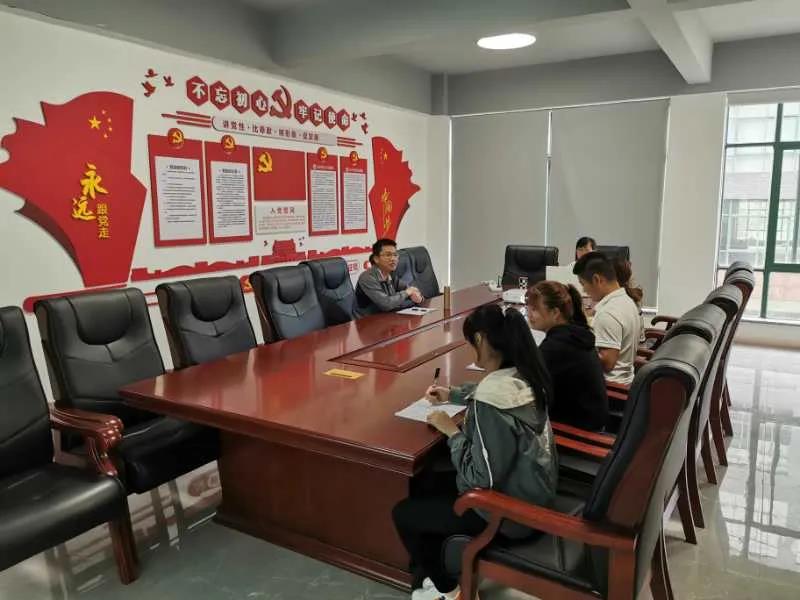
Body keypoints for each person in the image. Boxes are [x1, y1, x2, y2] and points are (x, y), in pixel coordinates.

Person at [392, 304, 557, 600]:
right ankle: (428, 572)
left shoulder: (490, 402)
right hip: (534, 492)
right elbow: (491, 398)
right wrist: (454, 394)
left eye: (471, 342)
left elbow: (481, 479)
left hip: (509, 514)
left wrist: (451, 432)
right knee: (427, 483)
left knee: (404, 513)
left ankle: (450, 590)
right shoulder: (526, 375)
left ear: (480, 339)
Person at [527, 281, 608, 431]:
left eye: (535, 309)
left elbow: (527, 382)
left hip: (577, 433)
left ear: (555, 313)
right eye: (529, 308)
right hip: (591, 421)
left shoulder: (557, 347)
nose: (529, 314)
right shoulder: (574, 334)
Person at [572, 252, 642, 386]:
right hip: (625, 382)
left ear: (597, 280)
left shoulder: (608, 313)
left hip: (609, 388)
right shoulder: (626, 300)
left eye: (583, 284)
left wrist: (576, 349)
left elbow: (607, 363)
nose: (584, 290)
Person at [354, 238, 423, 317]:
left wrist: (417, 296)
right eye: (388, 255)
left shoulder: (391, 274)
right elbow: (386, 304)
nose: (393, 259)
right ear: (376, 259)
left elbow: (409, 289)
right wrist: (407, 293)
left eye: (395, 255)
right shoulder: (367, 277)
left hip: (388, 317)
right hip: (367, 320)